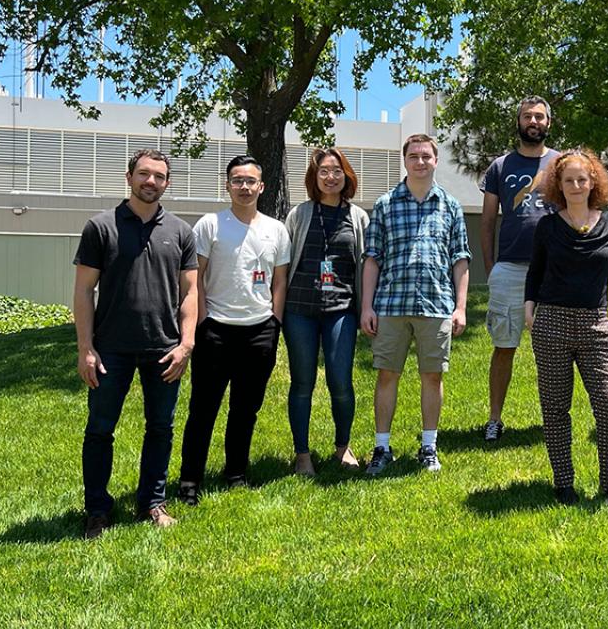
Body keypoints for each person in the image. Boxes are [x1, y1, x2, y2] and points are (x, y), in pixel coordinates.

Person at [74, 149, 198, 539]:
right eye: (144, 174)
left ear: (167, 183)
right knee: (100, 430)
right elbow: (84, 290)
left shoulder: (181, 231)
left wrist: (186, 345)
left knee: (160, 428)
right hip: (109, 349)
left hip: (164, 348)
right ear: (128, 177)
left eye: (159, 176)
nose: (151, 181)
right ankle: (97, 510)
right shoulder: (101, 227)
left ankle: (152, 503)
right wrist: (85, 348)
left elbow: (191, 292)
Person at [177, 156, 290, 505]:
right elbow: (195, 278)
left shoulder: (276, 229)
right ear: (227, 185)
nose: (244, 187)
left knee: (245, 409)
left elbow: (280, 280)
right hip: (216, 331)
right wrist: (203, 321)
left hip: (260, 331)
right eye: (237, 180)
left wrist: (274, 321)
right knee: (203, 409)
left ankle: (236, 472)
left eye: (250, 181)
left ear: (262, 186)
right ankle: (190, 479)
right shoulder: (210, 225)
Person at [360, 133, 471, 475]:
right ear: (405, 160)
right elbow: (372, 258)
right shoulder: (385, 204)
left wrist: (461, 307)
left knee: (432, 377)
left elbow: (460, 259)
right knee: (387, 375)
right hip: (391, 305)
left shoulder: (450, 205)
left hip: (436, 305)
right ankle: (382, 447)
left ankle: (429, 447)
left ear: (436, 160)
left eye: (426, 156)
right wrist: (367, 306)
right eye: (414, 156)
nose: (420, 162)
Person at [525, 150, 608, 507]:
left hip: (596, 324)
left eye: (582, 179)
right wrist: (529, 308)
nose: (576, 185)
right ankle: (563, 484)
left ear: (593, 181)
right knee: (555, 409)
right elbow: (535, 272)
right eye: (568, 180)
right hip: (551, 322)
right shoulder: (548, 226)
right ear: (558, 184)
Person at [283, 148, 370, 476]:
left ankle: (342, 446)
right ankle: (302, 454)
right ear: (314, 177)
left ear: (346, 176)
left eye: (336, 171)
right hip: (299, 310)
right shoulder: (299, 214)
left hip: (341, 311)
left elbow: (366, 264)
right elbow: (284, 262)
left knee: (341, 381)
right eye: (323, 172)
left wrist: (367, 306)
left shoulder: (358, 217)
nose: (330, 177)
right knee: (302, 382)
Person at [479, 96, 559, 441]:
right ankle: (494, 419)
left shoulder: (560, 163)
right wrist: (492, 267)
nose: (533, 121)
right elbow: (486, 223)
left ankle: (555, 420)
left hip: (554, 270)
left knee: (555, 351)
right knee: (504, 346)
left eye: (539, 117)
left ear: (548, 123)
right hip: (509, 269)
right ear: (519, 122)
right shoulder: (500, 167)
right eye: (527, 116)